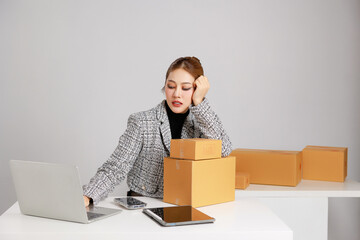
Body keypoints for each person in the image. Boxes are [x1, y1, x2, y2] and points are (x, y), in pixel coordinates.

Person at [83, 56, 232, 206]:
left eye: (186, 88)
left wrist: (199, 102)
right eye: (171, 86)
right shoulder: (142, 122)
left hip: (185, 205)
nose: (176, 94)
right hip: (144, 205)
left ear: (196, 89)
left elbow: (224, 149)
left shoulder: (202, 122)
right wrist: (88, 196)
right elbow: (116, 167)